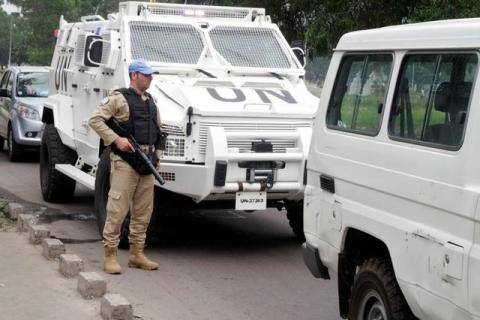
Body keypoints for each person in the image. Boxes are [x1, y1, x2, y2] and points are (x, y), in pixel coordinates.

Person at [89, 59, 162, 274]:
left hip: (147, 163)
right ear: (134, 75)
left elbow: (159, 131)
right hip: (125, 162)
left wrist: (158, 155)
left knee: (143, 212)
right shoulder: (118, 98)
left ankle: (136, 254)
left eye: (151, 75)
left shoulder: (151, 101)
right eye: (146, 74)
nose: (150, 78)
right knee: (117, 210)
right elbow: (95, 120)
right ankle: (110, 256)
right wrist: (115, 140)